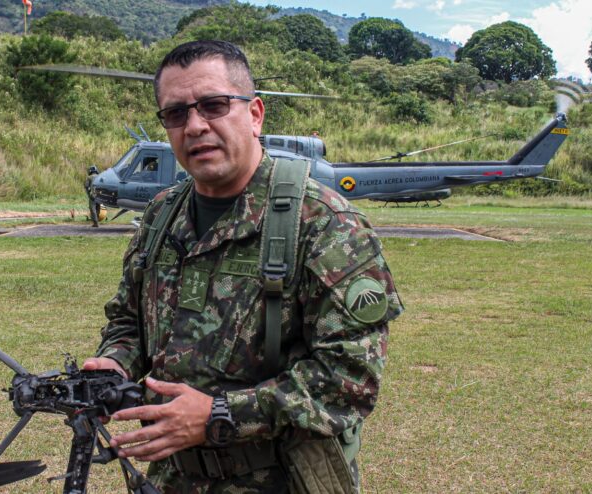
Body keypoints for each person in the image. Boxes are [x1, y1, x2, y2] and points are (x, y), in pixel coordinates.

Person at [84, 40, 402, 493]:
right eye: (176, 113)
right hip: (173, 477)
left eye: (213, 105)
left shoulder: (324, 224)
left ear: (254, 115)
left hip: (281, 480)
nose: (195, 126)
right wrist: (114, 365)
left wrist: (219, 415)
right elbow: (129, 321)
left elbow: (349, 379)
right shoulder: (160, 216)